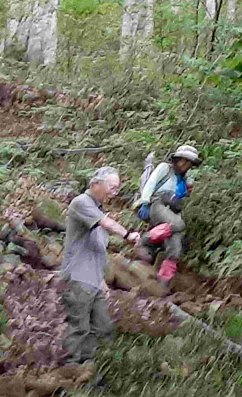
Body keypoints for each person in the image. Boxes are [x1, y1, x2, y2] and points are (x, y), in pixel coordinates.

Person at [59, 167, 142, 365]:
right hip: (78, 277)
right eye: (112, 188)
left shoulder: (96, 209)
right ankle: (69, 370)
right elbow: (107, 224)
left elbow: (96, 249)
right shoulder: (81, 203)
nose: (114, 193)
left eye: (117, 189)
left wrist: (101, 280)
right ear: (96, 184)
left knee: (103, 327)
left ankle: (87, 367)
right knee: (79, 326)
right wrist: (127, 234)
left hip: (93, 279)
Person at [134, 144, 202, 290]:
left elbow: (182, 199)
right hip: (157, 204)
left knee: (175, 246)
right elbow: (151, 184)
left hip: (172, 211)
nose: (185, 164)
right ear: (176, 159)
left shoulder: (186, 179)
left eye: (189, 162)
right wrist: (144, 202)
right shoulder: (165, 168)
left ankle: (164, 279)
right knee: (179, 225)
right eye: (183, 160)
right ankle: (144, 240)